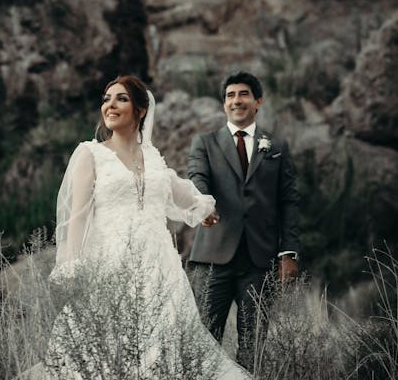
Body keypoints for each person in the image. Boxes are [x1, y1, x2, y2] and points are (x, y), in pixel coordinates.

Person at [42, 75, 251, 380]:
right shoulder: (91, 154)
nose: (110, 105)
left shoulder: (152, 157)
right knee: (107, 351)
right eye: (106, 99)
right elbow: (78, 218)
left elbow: (177, 189)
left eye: (121, 99)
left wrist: (204, 207)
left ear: (140, 110)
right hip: (110, 269)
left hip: (161, 270)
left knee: (168, 348)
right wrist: (73, 268)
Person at [188, 71, 300, 370]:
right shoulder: (205, 143)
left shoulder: (276, 146)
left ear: (258, 101)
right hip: (213, 257)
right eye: (230, 96)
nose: (236, 100)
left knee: (253, 345)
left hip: (259, 260)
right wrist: (204, 203)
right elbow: (197, 177)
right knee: (203, 339)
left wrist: (288, 252)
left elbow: (288, 200)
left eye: (243, 94)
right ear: (224, 104)